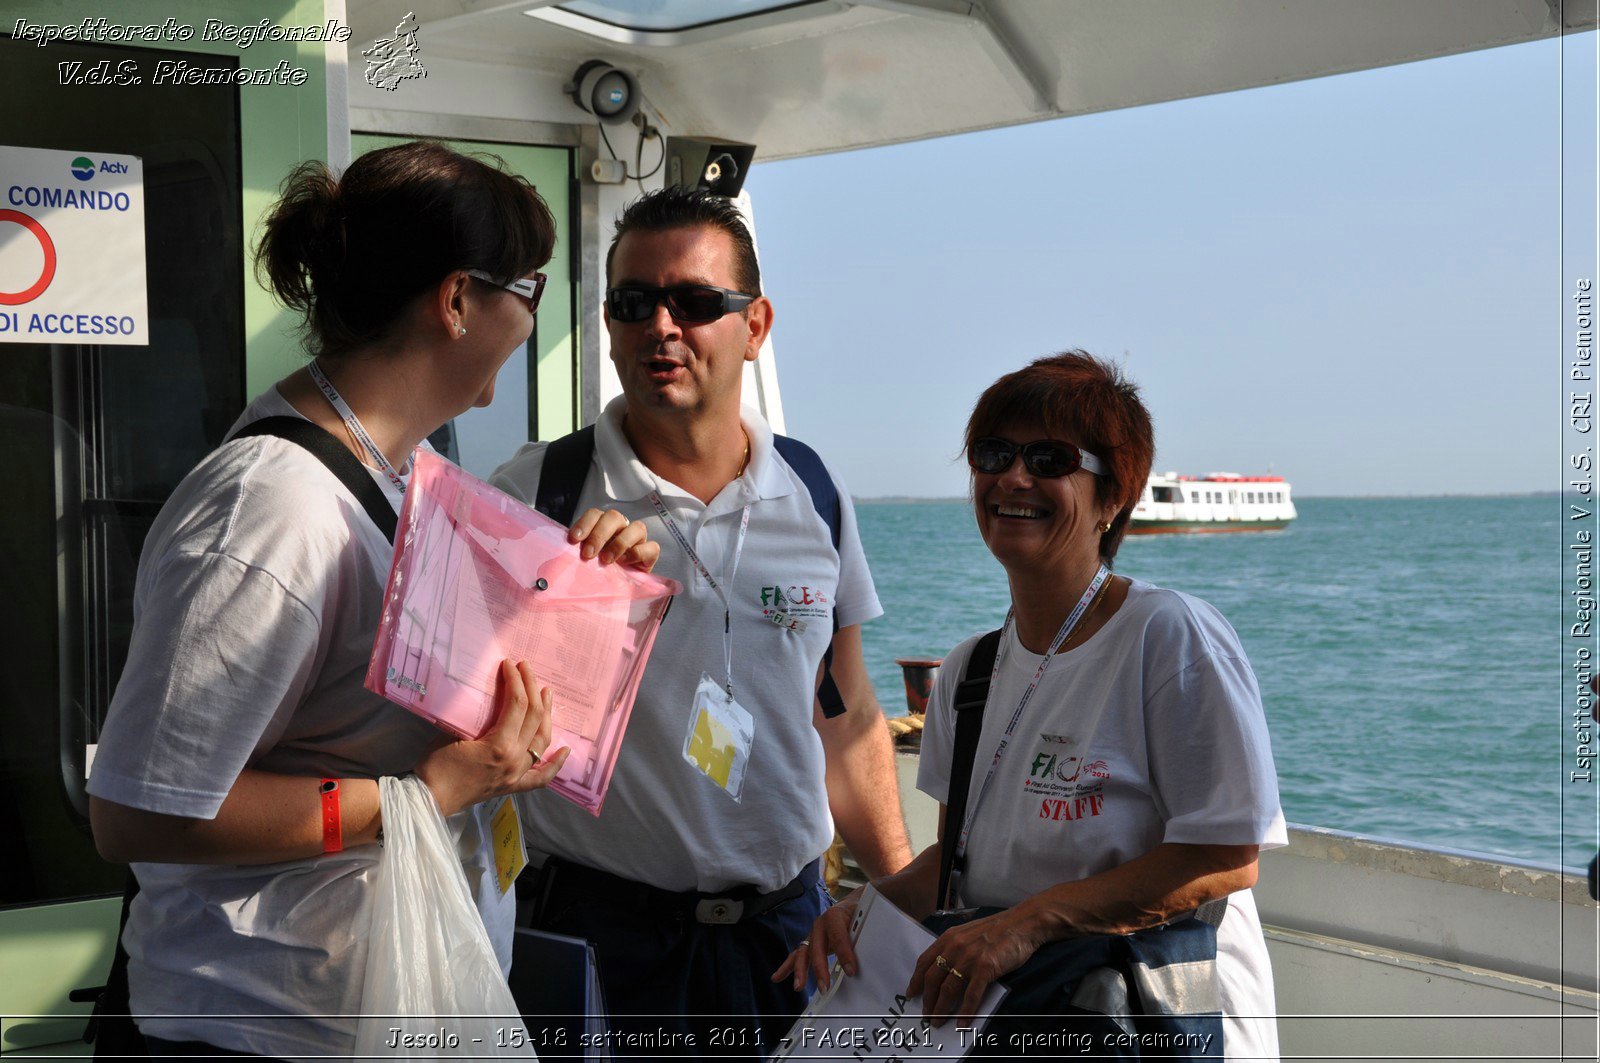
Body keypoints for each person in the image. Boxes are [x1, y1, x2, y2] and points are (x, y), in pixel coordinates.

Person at [86, 140, 658, 1059]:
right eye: (531, 285)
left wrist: (595, 583)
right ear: (459, 299)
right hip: (256, 1028)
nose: (534, 313)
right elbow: (138, 811)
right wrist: (423, 795)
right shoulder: (271, 508)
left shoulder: (411, 475)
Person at [491, 186, 913, 1053]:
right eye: (634, 303)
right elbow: (472, 726)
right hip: (604, 937)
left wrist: (906, 904)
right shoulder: (535, 497)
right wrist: (569, 597)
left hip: (791, 937)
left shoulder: (814, 492)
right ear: (608, 325)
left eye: (693, 301)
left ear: (755, 325)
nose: (662, 326)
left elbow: (849, 712)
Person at [780, 351, 1286, 1060]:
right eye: (994, 454)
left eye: (1050, 458)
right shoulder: (972, 671)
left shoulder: (1169, 636)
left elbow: (1228, 854)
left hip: (1155, 1029)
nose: (1014, 477)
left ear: (1114, 496)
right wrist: (866, 911)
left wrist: (1030, 921)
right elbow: (960, 862)